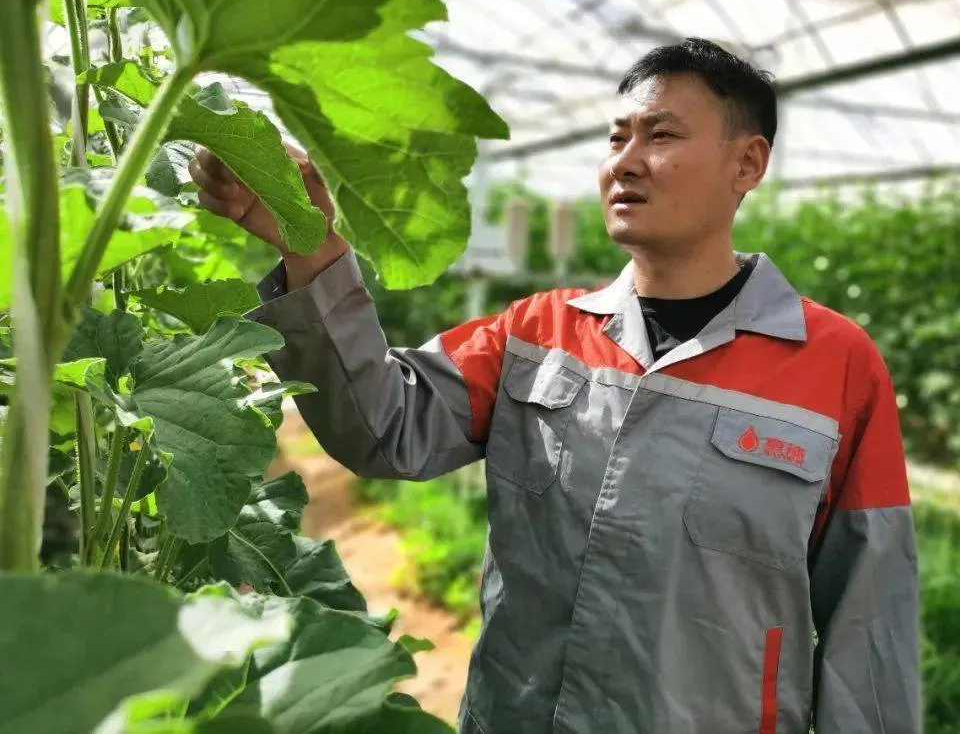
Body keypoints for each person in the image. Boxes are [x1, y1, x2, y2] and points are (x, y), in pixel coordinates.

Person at [191, 37, 921, 734]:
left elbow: (871, 617)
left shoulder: (835, 365)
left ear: (747, 162)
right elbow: (384, 427)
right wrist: (308, 244)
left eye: (660, 136)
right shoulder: (535, 333)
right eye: (616, 138)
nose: (625, 163)